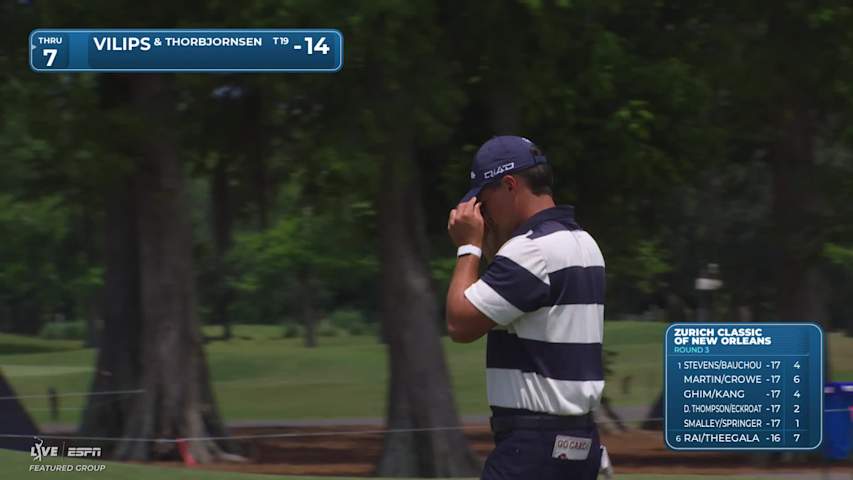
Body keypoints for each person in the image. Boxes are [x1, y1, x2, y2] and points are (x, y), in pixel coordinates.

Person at [445, 136, 608, 479]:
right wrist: (494, 250)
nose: (482, 213)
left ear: (509, 185)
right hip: (580, 443)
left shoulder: (530, 251)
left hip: (532, 449)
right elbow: (521, 307)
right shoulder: (585, 244)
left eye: (484, 201)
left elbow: (460, 324)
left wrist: (468, 248)